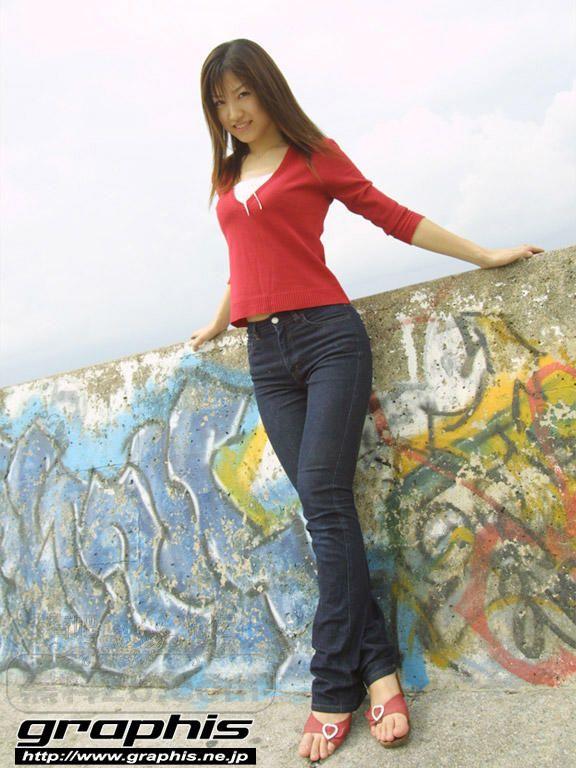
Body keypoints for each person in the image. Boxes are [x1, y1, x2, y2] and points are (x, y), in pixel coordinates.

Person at [190, 38, 545, 763]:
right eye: (220, 103)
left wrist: (485, 255)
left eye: (243, 94)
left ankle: (332, 688)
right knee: (325, 510)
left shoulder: (315, 155)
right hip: (266, 355)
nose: (234, 112)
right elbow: (245, 255)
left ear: (267, 89)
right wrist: (219, 319)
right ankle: (380, 671)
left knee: (324, 499)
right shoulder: (227, 173)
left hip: (328, 341)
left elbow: (391, 215)